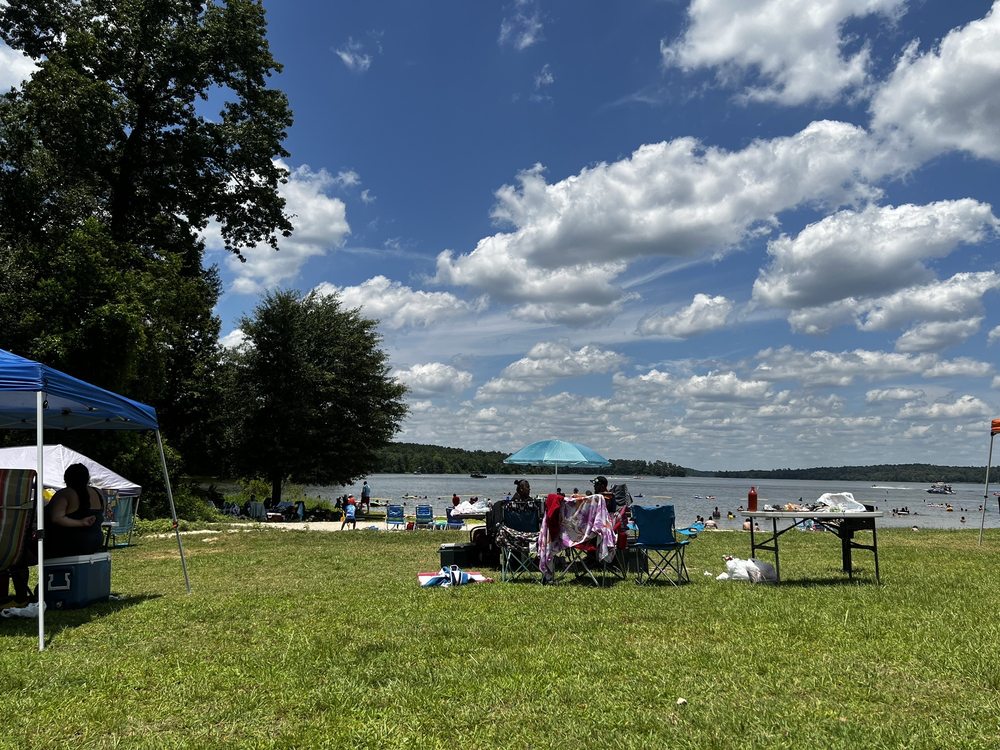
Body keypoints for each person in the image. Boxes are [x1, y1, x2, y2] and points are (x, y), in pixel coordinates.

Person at [45, 463, 105, 559]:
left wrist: (80, 523)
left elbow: (56, 518)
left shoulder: (65, 493)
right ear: (87, 478)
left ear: (66, 478)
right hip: (96, 541)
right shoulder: (98, 492)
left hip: (71, 543)